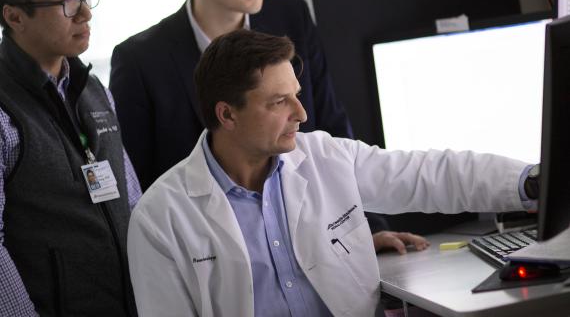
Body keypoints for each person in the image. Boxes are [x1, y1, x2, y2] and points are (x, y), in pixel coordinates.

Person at [127, 30, 537, 317]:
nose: (301, 115)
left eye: (298, 97)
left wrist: (534, 182)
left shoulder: (324, 157)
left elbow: (429, 174)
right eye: (279, 102)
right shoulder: (162, 217)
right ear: (227, 114)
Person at [109, 0, 352, 192]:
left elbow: (332, 130)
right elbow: (138, 184)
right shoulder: (140, 60)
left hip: (309, 217)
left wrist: (367, 227)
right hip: (201, 231)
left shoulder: (291, 17)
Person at [0, 0, 141, 316]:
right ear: (14, 16)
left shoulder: (92, 87)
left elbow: (132, 200)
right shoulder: (4, 113)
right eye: (66, 2)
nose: (85, 11)